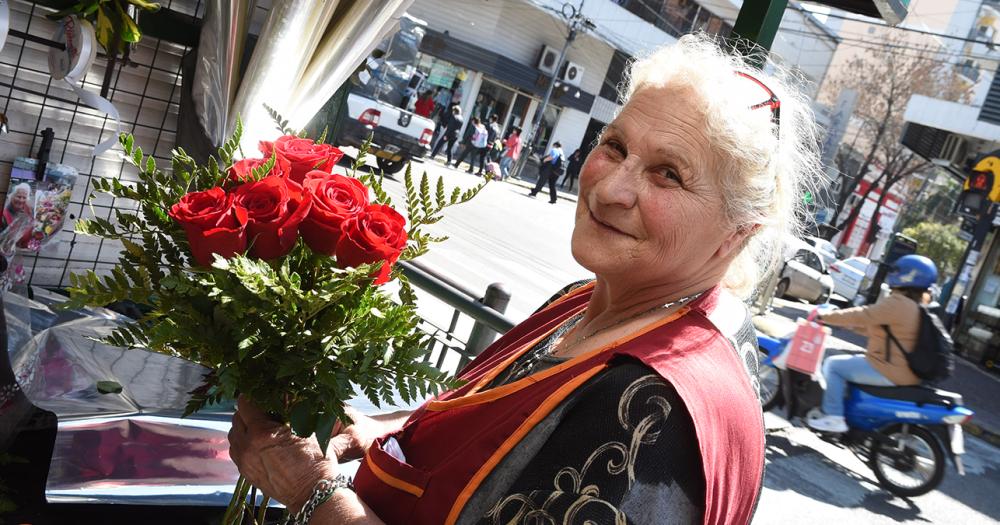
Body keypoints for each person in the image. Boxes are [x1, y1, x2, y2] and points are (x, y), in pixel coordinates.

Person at [229, 34, 822, 525]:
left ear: (738, 231)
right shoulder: (588, 301)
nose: (611, 189)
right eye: (615, 146)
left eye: (668, 174)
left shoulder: (653, 407)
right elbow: (497, 441)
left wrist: (311, 491)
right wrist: (379, 430)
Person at [808, 255, 937, 433]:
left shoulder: (898, 303)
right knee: (850, 363)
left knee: (834, 365)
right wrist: (849, 327)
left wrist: (825, 316)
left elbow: (864, 314)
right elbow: (881, 330)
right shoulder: (915, 307)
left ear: (907, 276)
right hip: (903, 371)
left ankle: (833, 416)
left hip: (888, 369)